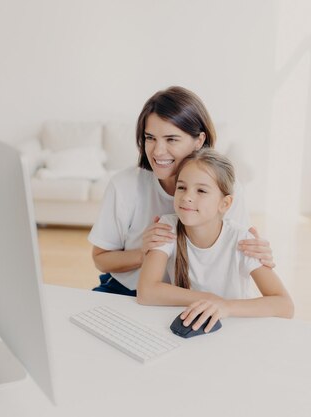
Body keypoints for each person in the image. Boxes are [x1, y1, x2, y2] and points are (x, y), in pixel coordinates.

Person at [88, 86, 274, 297]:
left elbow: (238, 252)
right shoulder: (125, 185)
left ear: (199, 141)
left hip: (194, 295)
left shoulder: (226, 190)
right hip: (130, 289)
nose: (157, 151)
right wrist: (144, 252)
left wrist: (257, 254)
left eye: (171, 139)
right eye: (150, 138)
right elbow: (100, 259)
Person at [137, 149, 294, 331]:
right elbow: (146, 292)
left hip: (235, 326)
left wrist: (225, 306)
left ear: (225, 203)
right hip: (194, 325)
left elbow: (285, 305)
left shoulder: (241, 240)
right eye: (181, 187)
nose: (187, 197)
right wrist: (211, 300)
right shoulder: (167, 227)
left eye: (201, 190)